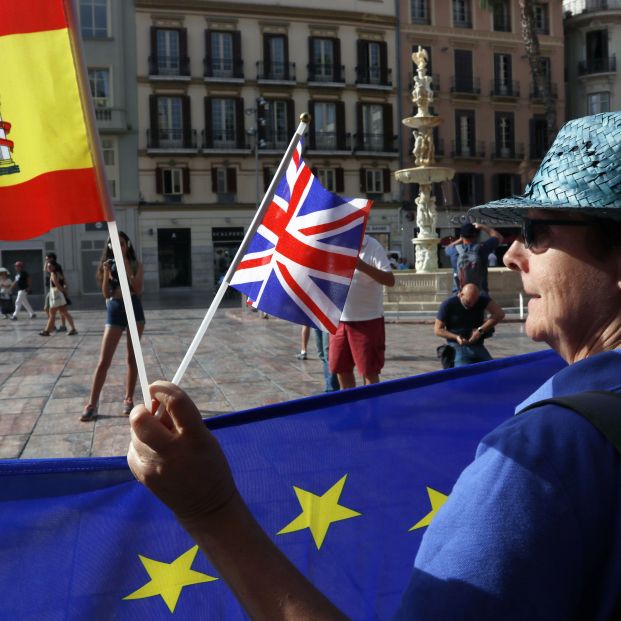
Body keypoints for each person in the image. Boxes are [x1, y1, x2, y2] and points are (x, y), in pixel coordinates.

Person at [127, 112, 621, 620]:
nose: (513, 253)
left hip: (369, 323)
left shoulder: (542, 457)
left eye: (536, 231)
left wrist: (210, 510)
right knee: (338, 376)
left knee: (367, 377)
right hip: (343, 322)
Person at [81, 232, 144, 422]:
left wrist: (124, 263)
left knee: (132, 358)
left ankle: (129, 398)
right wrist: (108, 272)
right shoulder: (107, 266)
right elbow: (106, 293)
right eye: (113, 244)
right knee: (103, 361)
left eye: (121, 243)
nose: (117, 246)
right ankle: (92, 404)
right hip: (115, 309)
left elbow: (138, 288)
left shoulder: (135, 264)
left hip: (134, 309)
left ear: (127, 245)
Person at [329, 235, 395, 389]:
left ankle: (371, 410)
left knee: (369, 371)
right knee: (340, 369)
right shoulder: (333, 244)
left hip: (367, 320)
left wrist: (361, 265)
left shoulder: (371, 246)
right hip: (338, 320)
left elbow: (390, 280)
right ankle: (351, 408)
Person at [434, 283, 505, 367]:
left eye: (475, 302)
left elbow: (499, 313)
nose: (472, 305)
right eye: (468, 302)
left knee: (492, 370)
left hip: (477, 344)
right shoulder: (448, 304)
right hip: (457, 345)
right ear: (461, 295)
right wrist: (456, 337)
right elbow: (437, 330)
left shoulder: (481, 299)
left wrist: (480, 330)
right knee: (464, 372)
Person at [445, 222, 502, 293]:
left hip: (460, 294)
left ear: (462, 236)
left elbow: (447, 248)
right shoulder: (483, 248)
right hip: (480, 294)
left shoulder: (454, 250)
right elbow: (499, 237)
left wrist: (460, 239)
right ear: (475, 235)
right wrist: (483, 227)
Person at [38, 262, 78, 336]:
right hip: (61, 297)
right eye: (47, 267)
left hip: (56, 297)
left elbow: (57, 285)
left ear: (54, 267)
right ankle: (73, 329)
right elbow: (65, 283)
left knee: (52, 314)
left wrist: (62, 289)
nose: (48, 268)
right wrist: (65, 292)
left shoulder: (53, 274)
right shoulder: (59, 274)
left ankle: (47, 331)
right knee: (65, 313)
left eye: (49, 266)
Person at [43, 253, 67, 332]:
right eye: (46, 259)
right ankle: (52, 325)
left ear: (52, 258)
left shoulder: (57, 266)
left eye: (47, 258)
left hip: (56, 289)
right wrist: (46, 262)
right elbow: (45, 269)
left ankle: (62, 326)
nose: (46, 260)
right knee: (48, 308)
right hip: (51, 289)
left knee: (61, 310)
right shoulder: (49, 266)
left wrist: (62, 287)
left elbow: (61, 277)